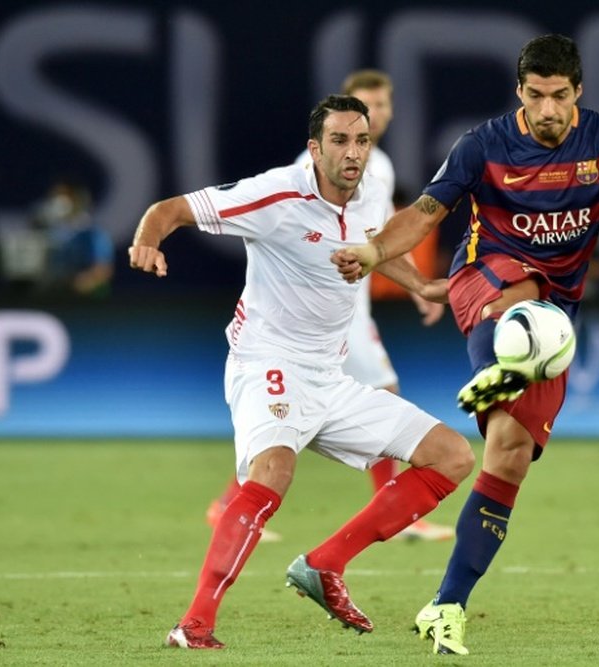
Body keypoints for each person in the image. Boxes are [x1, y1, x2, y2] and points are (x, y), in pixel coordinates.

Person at [332, 34, 599, 655]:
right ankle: (506, 363)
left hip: (555, 314)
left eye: (558, 96)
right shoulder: (483, 145)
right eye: (535, 95)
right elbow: (423, 212)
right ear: (519, 92)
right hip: (484, 283)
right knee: (526, 300)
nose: (547, 109)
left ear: (578, 92)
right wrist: (373, 251)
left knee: (508, 455)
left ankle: (446, 605)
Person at [128, 94, 474, 649]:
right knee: (273, 473)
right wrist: (147, 241)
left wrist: (424, 287)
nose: (352, 152)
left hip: (329, 376)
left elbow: (380, 246)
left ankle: (325, 563)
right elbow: (170, 209)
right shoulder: (276, 193)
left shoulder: (367, 196)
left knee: (452, 455)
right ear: (315, 149)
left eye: (360, 140)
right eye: (339, 140)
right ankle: (194, 625)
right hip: (266, 361)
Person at [204, 70, 454, 543]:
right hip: (314, 320)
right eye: (365, 105)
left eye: (381, 106)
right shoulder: (316, 166)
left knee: (307, 420)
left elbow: (376, 242)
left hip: (347, 310)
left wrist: (419, 286)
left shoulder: (378, 167)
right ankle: (401, 515)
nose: (374, 115)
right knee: (379, 393)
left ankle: (230, 504)